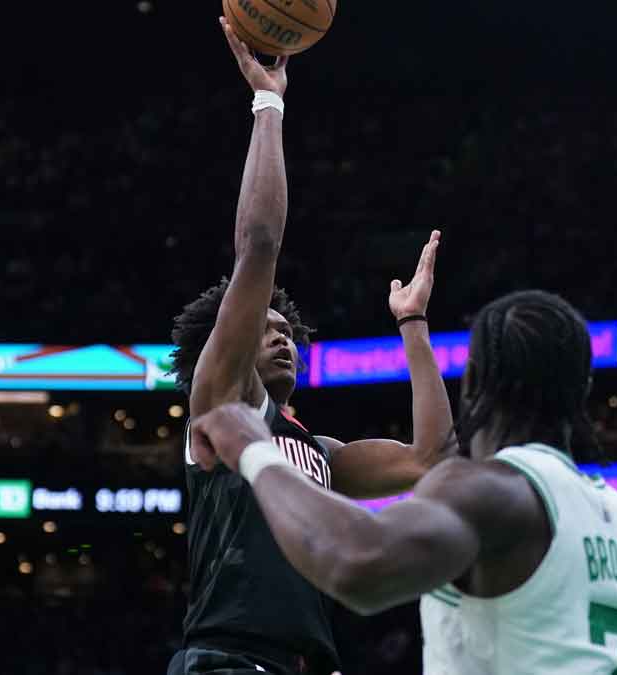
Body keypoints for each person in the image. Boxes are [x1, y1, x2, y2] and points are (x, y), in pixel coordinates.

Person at [164, 18, 455, 675]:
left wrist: (414, 325)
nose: (279, 332)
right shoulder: (221, 406)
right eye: (263, 324)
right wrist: (269, 102)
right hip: (228, 660)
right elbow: (260, 244)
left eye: (286, 327)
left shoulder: (322, 455)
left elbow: (433, 459)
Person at [189, 289, 617, 674]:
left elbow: (361, 561)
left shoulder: (489, 490)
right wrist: (413, 324)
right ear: (583, 389)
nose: (280, 340)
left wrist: (254, 451)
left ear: (474, 386)